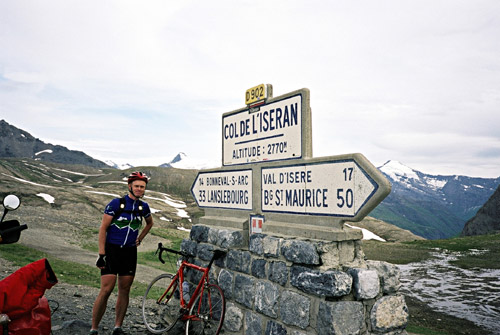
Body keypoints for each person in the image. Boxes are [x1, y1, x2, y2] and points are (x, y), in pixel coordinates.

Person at [89, 172, 154, 335]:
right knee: (106, 289)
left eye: (142, 187)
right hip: (112, 250)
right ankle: (94, 328)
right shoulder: (116, 204)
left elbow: (150, 223)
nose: (139, 189)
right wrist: (101, 254)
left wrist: (140, 238)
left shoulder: (143, 207)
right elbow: (103, 228)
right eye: (137, 186)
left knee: (125, 290)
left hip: (130, 252)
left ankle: (118, 327)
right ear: (130, 186)